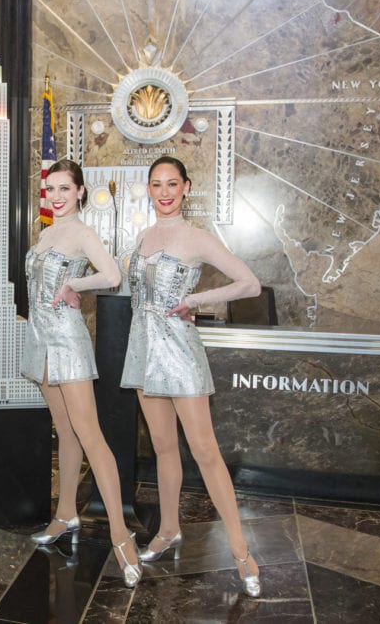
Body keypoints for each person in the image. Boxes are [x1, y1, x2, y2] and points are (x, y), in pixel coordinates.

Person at [121, 155, 263, 597]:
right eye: (156, 184)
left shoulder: (197, 237)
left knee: (205, 452)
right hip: (144, 352)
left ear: (186, 187)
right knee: (163, 448)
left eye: (172, 184)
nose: (164, 192)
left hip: (179, 353)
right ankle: (168, 529)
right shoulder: (143, 236)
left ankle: (242, 553)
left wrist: (196, 299)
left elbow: (249, 283)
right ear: (149, 188)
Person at [21, 158, 140, 588]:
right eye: (50, 189)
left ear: (80, 192)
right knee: (65, 435)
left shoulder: (83, 233)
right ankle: (65, 513)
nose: (55, 196)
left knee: (90, 436)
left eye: (64, 189)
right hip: (40, 341)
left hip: (68, 343)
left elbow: (111, 274)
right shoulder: (47, 232)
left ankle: (121, 536)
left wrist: (75, 286)